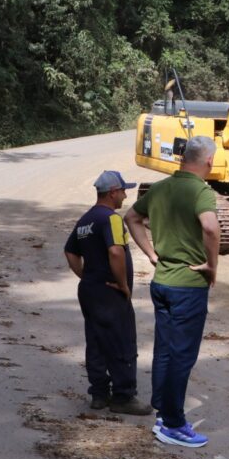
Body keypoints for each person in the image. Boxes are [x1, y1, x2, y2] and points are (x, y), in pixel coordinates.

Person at [125, 136, 220, 448]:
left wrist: (152, 255)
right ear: (208, 161)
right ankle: (174, 424)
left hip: (162, 282)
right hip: (187, 287)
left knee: (165, 350)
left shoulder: (160, 188)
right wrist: (211, 266)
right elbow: (210, 227)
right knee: (182, 355)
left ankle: (163, 413)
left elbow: (131, 217)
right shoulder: (201, 191)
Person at [64, 170, 153, 416]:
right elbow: (115, 252)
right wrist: (122, 284)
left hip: (90, 291)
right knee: (122, 341)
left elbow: (70, 252)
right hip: (110, 292)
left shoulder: (85, 220)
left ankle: (99, 395)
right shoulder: (111, 219)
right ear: (113, 192)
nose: (125, 196)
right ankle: (124, 397)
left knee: (96, 341)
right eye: (124, 191)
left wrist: (85, 276)